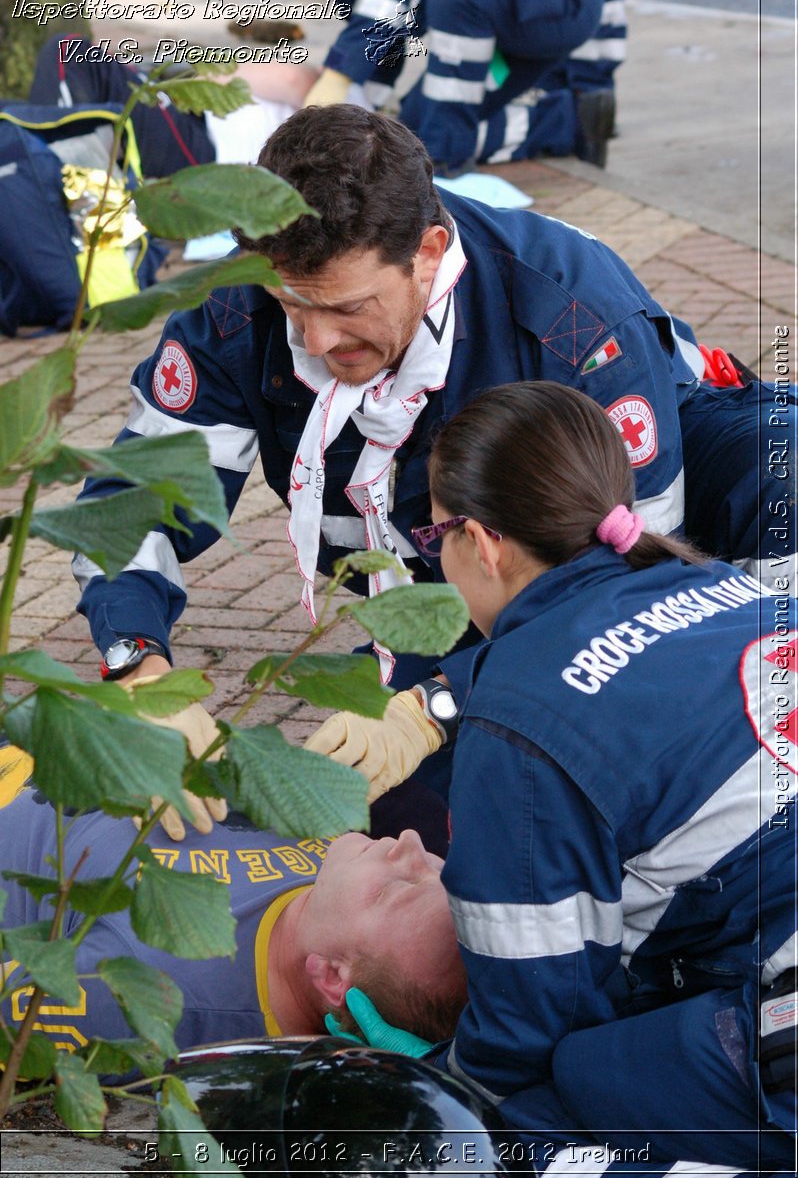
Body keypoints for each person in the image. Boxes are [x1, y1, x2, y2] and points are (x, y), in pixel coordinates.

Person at [71, 103, 792, 816]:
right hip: (471, 585)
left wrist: (438, 702)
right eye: (291, 305)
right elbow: (130, 508)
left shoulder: (575, 325)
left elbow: (623, 598)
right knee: (356, 804)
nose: (316, 342)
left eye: (348, 307)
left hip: (657, 517)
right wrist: (138, 668)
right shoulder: (234, 311)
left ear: (428, 251)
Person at [329, 381, 797, 1171]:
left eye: (433, 534)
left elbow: (525, 1029)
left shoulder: (515, 737)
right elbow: (615, 674)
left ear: (480, 542)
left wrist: (439, 1083)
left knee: (536, 1110)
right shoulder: (722, 585)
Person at [0, 753, 466, 1055]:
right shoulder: (346, 878)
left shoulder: (153, 997)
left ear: (331, 977)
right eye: (437, 869)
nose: (408, 845)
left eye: (393, 891)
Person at [302, 0, 623, 171]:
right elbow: (390, 27)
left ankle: (445, 163)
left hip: (533, 9)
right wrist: (367, 106)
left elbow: (387, 2)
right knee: (413, 129)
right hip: (521, 14)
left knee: (435, 137)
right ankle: (567, 120)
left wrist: (340, 77)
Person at [27, 33, 320, 177]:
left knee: (69, 51)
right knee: (15, 117)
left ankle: (41, 176)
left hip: (205, 151)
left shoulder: (345, 102)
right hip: (199, 137)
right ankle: (39, 163)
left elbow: (286, 76)